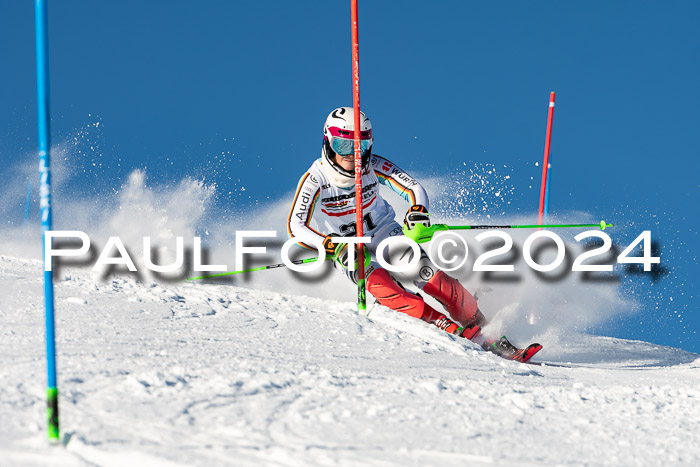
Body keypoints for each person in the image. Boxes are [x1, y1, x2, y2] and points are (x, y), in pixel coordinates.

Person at [287, 107, 538, 361]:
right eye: (343, 146)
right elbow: (296, 225)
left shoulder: (373, 165)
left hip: (386, 234)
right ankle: (444, 327)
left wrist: (418, 212)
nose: (353, 157)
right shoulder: (315, 179)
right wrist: (332, 246)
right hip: (350, 249)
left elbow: (413, 187)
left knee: (430, 278)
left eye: (360, 147)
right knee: (383, 287)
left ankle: (482, 326)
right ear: (328, 142)